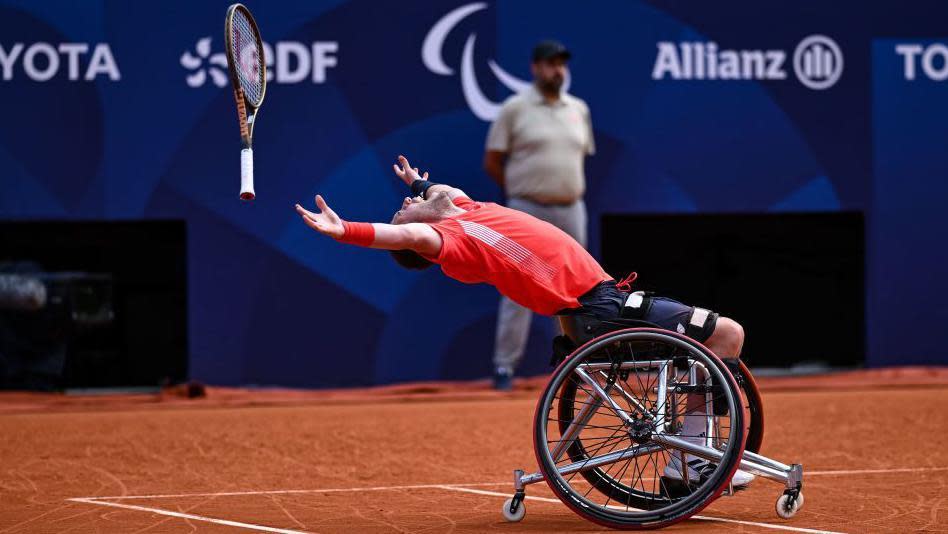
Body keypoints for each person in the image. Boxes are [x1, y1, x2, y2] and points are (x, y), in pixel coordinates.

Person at [294, 155, 754, 488]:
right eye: (401, 212)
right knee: (727, 333)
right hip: (599, 311)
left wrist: (418, 187)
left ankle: (694, 455)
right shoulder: (445, 238)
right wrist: (345, 230)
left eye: (402, 205)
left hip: (606, 300)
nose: (399, 209)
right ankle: (691, 460)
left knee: (710, 341)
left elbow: (442, 194)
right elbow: (404, 232)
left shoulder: (462, 208)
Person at [483, 40, 595, 390]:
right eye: (550, 63)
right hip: (527, 209)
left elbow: (579, 157)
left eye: (561, 63)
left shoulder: (578, 108)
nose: (556, 69)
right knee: (516, 285)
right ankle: (504, 368)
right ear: (535, 68)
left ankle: (573, 364)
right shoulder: (514, 108)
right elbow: (492, 161)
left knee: (577, 289)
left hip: (571, 208)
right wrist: (521, 193)